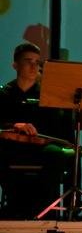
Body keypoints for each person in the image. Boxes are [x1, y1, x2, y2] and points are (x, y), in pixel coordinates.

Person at [0, 42, 74, 218]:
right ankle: (14, 207)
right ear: (15, 65)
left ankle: (46, 211)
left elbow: (58, 127)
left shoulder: (46, 94)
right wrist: (14, 125)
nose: (34, 67)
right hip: (13, 146)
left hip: (41, 146)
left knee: (55, 154)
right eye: (28, 61)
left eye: (37, 62)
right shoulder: (5, 94)